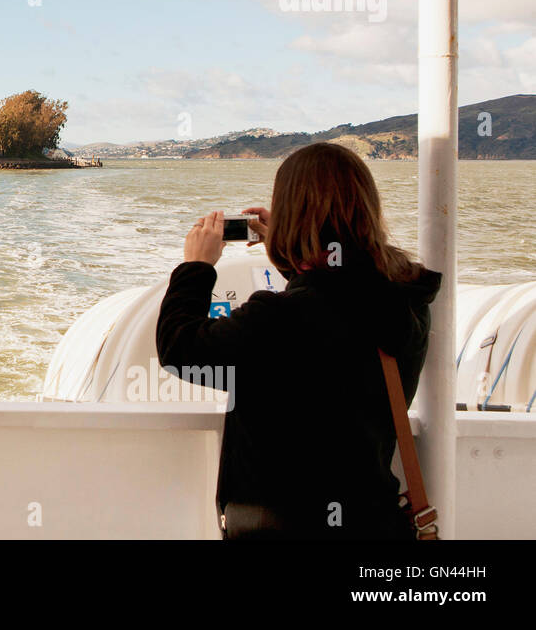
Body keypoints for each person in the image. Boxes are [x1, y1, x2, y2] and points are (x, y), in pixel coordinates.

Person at [156, 142, 441, 540]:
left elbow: (181, 349)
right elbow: (339, 302)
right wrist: (298, 257)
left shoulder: (280, 318)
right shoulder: (407, 302)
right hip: (371, 522)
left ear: (291, 214)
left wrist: (196, 267)